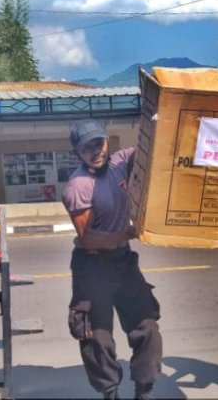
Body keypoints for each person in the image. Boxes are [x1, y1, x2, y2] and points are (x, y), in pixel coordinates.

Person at [61, 119, 162, 400]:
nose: (96, 151)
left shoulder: (120, 161)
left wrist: (158, 121)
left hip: (124, 261)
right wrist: (128, 232)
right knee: (97, 336)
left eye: (99, 142)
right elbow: (88, 237)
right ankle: (110, 392)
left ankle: (145, 390)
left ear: (107, 140)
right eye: (87, 147)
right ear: (77, 153)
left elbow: (149, 148)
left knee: (147, 326)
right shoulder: (77, 187)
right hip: (92, 265)